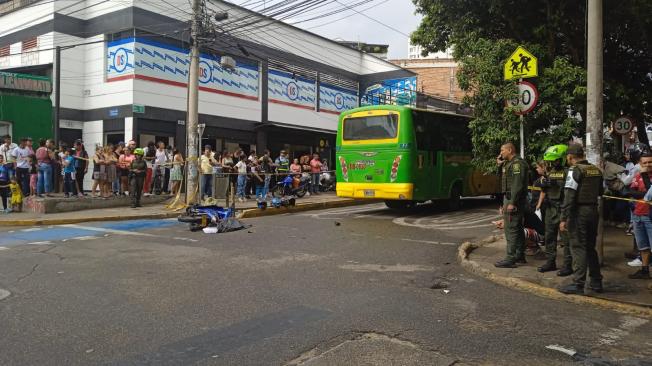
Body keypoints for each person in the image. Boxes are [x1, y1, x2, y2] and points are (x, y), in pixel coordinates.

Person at [558, 144, 604, 295]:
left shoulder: (574, 170)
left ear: (570, 157)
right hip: (593, 210)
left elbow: (569, 195)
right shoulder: (595, 170)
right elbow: (600, 192)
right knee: (590, 247)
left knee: (578, 247)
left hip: (579, 212)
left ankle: (578, 284)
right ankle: (596, 281)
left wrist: (564, 218)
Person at [537, 145, 573, 275]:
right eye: (552, 161)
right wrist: (543, 184)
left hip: (563, 208)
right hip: (550, 208)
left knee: (566, 239)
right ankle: (550, 262)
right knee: (549, 237)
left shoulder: (569, 172)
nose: (553, 163)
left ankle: (568, 265)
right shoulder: (550, 172)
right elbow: (544, 189)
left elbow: (570, 191)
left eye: (556, 160)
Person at [494, 142, 529, 268]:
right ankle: (519, 255)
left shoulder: (517, 164)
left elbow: (517, 185)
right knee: (517, 229)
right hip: (509, 198)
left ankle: (510, 258)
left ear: (510, 150)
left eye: (502, 150)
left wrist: (512, 202)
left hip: (514, 200)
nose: (501, 153)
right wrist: (500, 165)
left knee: (511, 229)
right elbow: (504, 180)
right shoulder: (509, 164)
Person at [623, 153, 652, 279]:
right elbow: (630, 192)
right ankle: (644, 270)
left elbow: (649, 192)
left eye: (650, 162)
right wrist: (640, 194)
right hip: (637, 215)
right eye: (644, 163)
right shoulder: (638, 175)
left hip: (650, 216)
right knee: (643, 245)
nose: (647, 165)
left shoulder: (645, 176)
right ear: (640, 164)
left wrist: (639, 193)